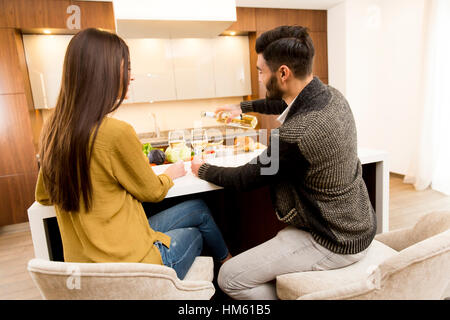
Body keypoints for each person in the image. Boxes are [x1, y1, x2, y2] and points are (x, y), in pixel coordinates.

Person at [191, 25, 377, 299]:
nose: (258, 76)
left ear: (283, 73)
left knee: (228, 278)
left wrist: (202, 168)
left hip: (333, 241)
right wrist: (241, 107)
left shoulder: (294, 135)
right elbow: (287, 103)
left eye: (260, 71)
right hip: (359, 225)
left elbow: (245, 178)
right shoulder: (333, 97)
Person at [35, 28, 231, 280]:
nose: (132, 77)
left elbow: (43, 196)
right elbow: (152, 191)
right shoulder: (116, 132)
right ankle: (228, 273)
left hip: (88, 265)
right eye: (126, 68)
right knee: (195, 231)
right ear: (103, 73)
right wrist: (171, 174)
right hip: (134, 266)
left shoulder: (54, 130)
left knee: (197, 207)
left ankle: (227, 261)